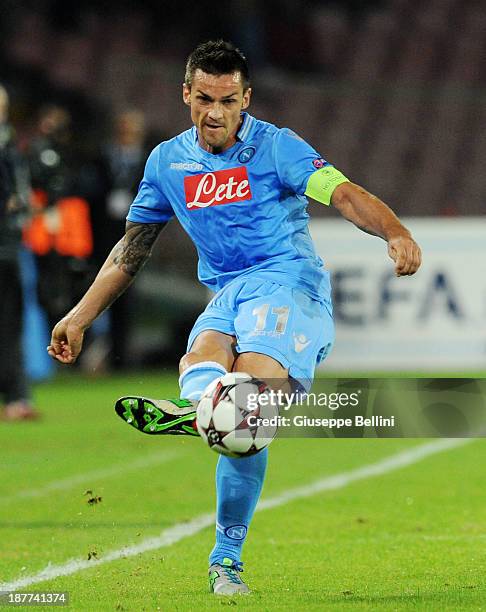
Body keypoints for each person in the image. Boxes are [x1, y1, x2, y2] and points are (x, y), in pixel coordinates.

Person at [48, 41, 421, 595]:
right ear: (186, 95)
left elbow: (342, 194)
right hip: (225, 293)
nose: (214, 112)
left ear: (246, 99)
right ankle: (203, 415)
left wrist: (394, 231)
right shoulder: (167, 163)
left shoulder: (279, 149)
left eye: (227, 100)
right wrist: (79, 317)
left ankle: (218, 494)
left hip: (288, 286)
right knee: (208, 373)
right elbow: (133, 247)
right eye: (203, 99)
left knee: (245, 402)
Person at [0, 84, 38, 420]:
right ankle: (15, 399)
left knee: (11, 324)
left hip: (9, 248)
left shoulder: (10, 145)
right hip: (5, 248)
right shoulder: (6, 148)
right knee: (10, 324)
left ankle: (15, 397)